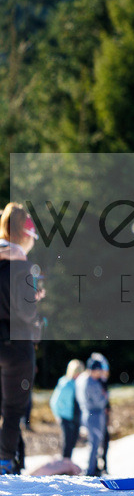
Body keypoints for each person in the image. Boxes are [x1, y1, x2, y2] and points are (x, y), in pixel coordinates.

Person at [0, 203, 44, 475]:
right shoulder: (22, 266)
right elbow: (27, 312)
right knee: (14, 409)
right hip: (15, 345)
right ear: (25, 234)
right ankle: (5, 462)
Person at [76, 355, 109, 476]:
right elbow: (100, 400)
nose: (100, 373)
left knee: (94, 442)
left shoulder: (83, 379)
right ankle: (91, 470)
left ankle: (93, 467)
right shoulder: (90, 382)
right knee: (94, 442)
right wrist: (105, 396)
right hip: (93, 413)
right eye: (98, 370)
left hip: (88, 413)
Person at [49, 359, 85, 461]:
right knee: (67, 442)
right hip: (66, 417)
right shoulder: (65, 384)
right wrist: (58, 416)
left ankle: (67, 462)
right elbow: (54, 402)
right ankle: (64, 463)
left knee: (73, 442)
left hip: (76, 417)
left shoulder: (80, 384)